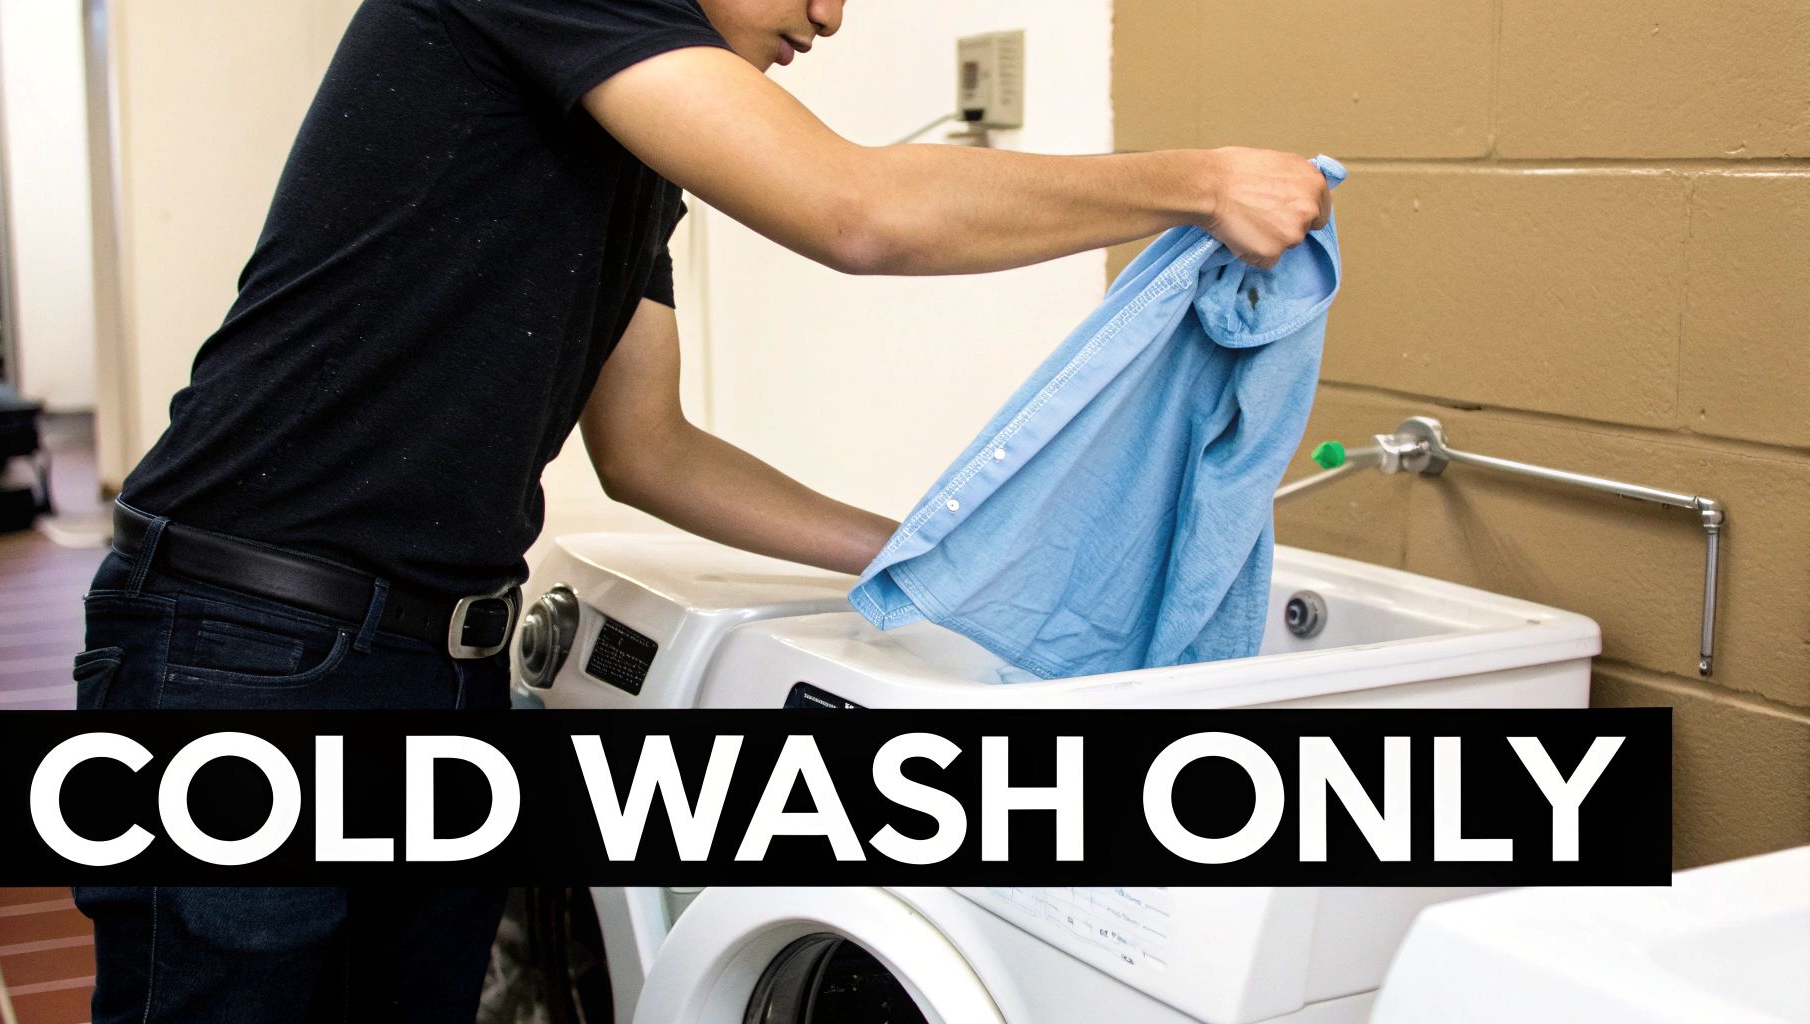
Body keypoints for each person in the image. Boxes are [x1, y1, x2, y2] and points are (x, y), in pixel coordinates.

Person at [72, 0, 1332, 1020]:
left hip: (442, 658)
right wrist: (1197, 181)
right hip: (245, 641)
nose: (829, 18)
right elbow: (857, 211)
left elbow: (649, 451)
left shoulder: (626, 152)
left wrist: (924, 557)